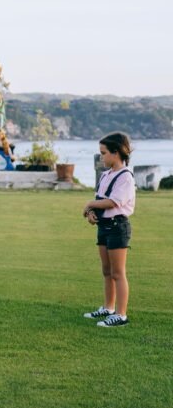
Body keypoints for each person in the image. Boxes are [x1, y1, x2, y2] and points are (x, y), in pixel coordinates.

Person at [82, 132, 135, 327]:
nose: (101, 157)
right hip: (104, 227)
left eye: (103, 153)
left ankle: (121, 315)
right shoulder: (106, 175)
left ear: (116, 153)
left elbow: (114, 202)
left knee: (118, 272)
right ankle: (108, 307)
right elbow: (99, 200)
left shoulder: (125, 177)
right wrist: (90, 212)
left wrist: (88, 203)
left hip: (117, 227)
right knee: (106, 271)